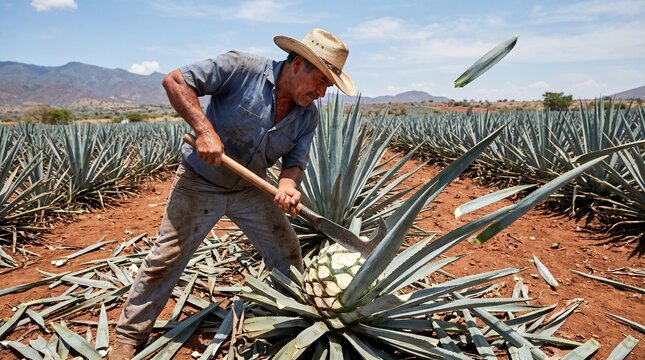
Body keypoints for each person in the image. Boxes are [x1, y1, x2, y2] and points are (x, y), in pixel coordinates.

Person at [110, 28, 355, 359]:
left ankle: (293, 320)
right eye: (321, 82)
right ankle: (128, 335)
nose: (322, 93)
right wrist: (205, 131)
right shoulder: (241, 68)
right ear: (298, 64)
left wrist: (287, 186)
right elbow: (175, 81)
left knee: (287, 253)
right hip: (200, 181)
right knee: (166, 258)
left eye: (328, 86)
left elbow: (294, 163)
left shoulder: (306, 115)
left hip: (251, 187)